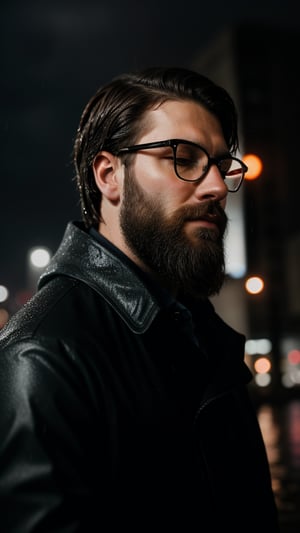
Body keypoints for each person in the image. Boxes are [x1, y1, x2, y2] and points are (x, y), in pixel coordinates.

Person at [0, 66, 279, 532]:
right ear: (110, 175)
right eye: (183, 158)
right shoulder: (42, 356)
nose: (214, 187)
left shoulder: (201, 332)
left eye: (220, 165)